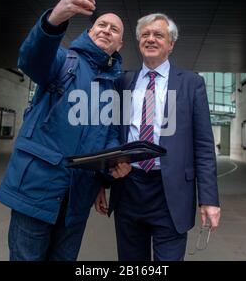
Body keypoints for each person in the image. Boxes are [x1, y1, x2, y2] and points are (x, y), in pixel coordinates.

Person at [0, 0, 131, 261]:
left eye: (114, 29)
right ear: (90, 32)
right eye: (101, 25)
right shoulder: (64, 60)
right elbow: (31, 58)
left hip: (76, 203)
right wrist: (54, 19)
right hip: (36, 192)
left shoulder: (113, 89)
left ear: (120, 44)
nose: (106, 30)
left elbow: (109, 141)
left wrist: (114, 167)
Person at [95, 13, 221, 261]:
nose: (151, 39)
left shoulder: (191, 83)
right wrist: (100, 181)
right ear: (139, 40)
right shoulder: (122, 82)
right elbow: (108, 135)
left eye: (158, 35)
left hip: (171, 193)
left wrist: (209, 199)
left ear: (171, 44)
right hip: (128, 189)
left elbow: (204, 146)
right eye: (145, 34)